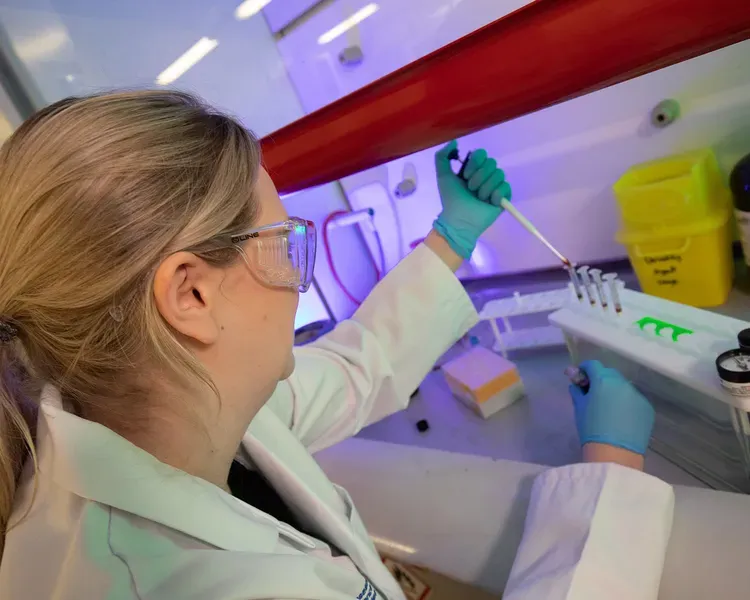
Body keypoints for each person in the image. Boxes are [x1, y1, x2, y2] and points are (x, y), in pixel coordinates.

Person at [0, 91, 672, 600]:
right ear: (191, 296)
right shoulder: (214, 587)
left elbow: (355, 367)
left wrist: (453, 237)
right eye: (282, 242)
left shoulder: (150, 405)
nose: (298, 275)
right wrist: (610, 473)